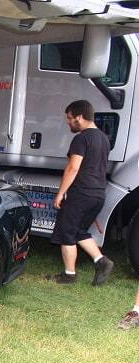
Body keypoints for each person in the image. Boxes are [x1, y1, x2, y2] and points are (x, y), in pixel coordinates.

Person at [49, 100, 114, 285]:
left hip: (82, 192)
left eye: (69, 119)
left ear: (79, 117)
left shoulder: (81, 138)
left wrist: (61, 193)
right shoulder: (103, 138)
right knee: (78, 231)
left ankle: (69, 275)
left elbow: (73, 168)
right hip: (98, 193)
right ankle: (101, 262)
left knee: (66, 232)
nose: (68, 122)